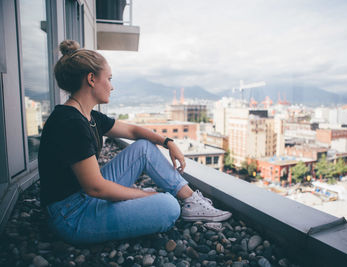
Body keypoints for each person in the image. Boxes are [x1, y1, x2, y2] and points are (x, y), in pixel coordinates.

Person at [38, 40, 231, 244]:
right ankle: (174, 203)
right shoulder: (70, 123)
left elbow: (132, 130)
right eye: (109, 79)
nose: (112, 87)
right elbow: (96, 188)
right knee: (168, 207)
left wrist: (168, 142)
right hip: (71, 215)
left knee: (144, 147)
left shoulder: (87, 116)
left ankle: (191, 200)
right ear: (92, 79)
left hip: (83, 196)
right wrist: (142, 195)